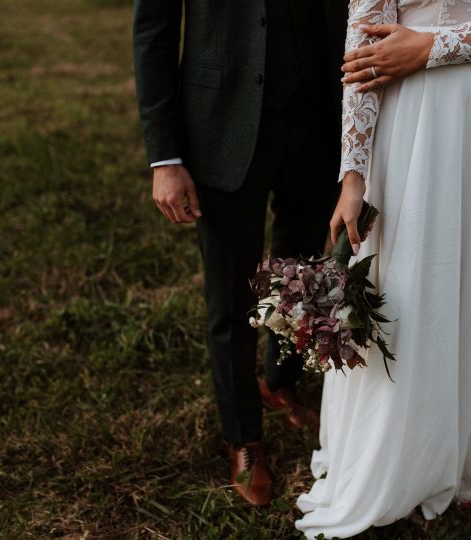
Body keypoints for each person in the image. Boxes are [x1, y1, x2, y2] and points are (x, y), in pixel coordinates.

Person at [296, 1, 471, 537]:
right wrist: (353, 175)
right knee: (418, 285)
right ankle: (410, 451)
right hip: (417, 122)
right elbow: (364, 42)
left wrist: (433, 46)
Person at [132, 0, 347, 507]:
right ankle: (243, 437)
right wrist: (165, 158)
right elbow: (153, 33)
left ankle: (281, 381)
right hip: (220, 124)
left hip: (316, 114)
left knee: (302, 275)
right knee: (231, 296)